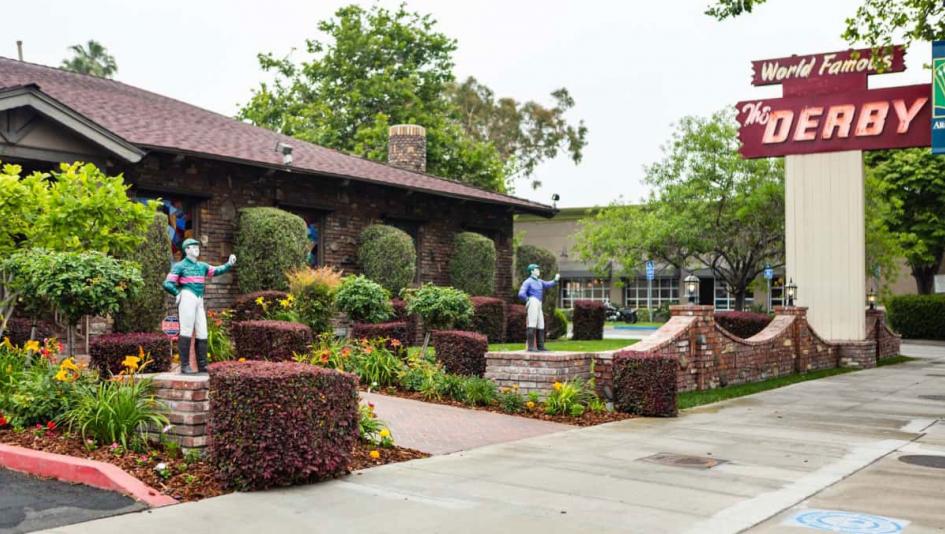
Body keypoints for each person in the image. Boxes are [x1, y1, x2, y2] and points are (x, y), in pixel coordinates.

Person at [162, 239, 236, 374]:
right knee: (186, 330)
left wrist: (228, 264)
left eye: (197, 246)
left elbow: (216, 270)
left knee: (202, 330)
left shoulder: (202, 266)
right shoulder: (180, 266)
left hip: (199, 299)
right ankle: (185, 365)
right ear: (187, 250)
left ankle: (203, 365)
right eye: (193, 246)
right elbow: (167, 283)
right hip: (187, 296)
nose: (197, 248)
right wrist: (177, 293)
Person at [517, 264, 560, 352]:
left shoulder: (539, 281)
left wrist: (555, 280)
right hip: (533, 301)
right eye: (536, 269)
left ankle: (541, 346)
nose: (538, 271)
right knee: (532, 323)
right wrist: (528, 299)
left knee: (541, 323)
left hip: (539, 303)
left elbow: (548, 284)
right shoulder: (528, 282)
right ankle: (531, 347)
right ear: (532, 271)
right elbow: (521, 293)